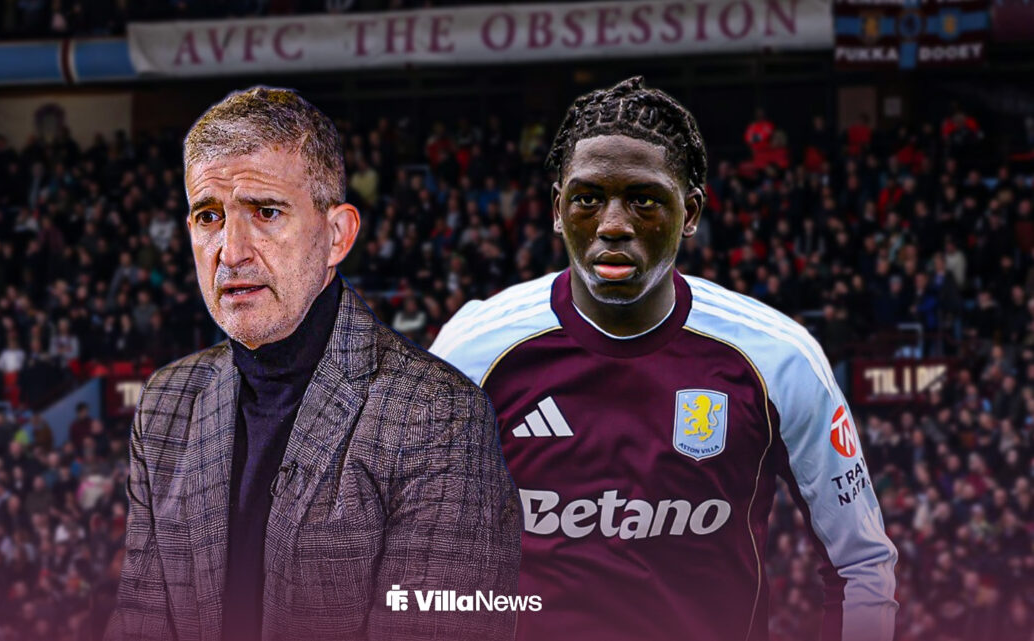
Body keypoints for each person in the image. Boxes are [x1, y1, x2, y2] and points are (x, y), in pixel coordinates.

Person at [432, 77, 898, 641]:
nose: (612, 224)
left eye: (644, 199)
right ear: (557, 209)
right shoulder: (473, 354)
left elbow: (859, 565)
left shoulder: (778, 360)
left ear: (691, 211)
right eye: (587, 198)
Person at [104, 87, 521, 641]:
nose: (231, 251)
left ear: (337, 235)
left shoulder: (438, 415)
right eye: (209, 216)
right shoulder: (165, 402)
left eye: (266, 212)